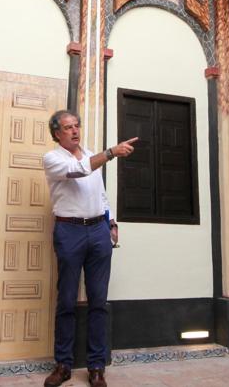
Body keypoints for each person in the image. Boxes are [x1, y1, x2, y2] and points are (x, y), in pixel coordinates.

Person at [41, 110, 137, 387]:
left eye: (77, 125)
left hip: (98, 231)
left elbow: (100, 193)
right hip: (69, 230)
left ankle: (96, 367)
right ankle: (63, 365)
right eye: (68, 127)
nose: (74, 130)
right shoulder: (52, 159)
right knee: (67, 301)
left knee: (98, 301)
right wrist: (111, 152)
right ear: (57, 133)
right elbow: (81, 169)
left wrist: (110, 221)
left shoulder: (92, 155)